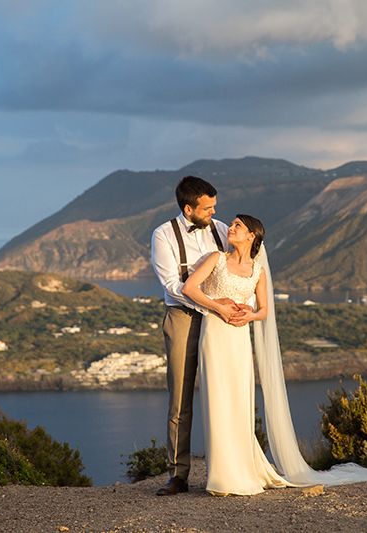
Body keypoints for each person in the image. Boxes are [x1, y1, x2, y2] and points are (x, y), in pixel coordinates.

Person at [182, 214, 367, 495]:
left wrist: (249, 315)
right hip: (214, 334)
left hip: (239, 338)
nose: (232, 228)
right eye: (233, 224)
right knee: (217, 400)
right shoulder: (216, 259)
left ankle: (241, 471)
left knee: (239, 402)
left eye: (238, 225)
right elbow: (189, 288)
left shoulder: (258, 271)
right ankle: (222, 478)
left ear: (251, 236)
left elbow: (264, 311)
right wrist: (218, 306)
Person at [150, 176, 249, 496]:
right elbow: (173, 287)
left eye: (215, 206)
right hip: (184, 319)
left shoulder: (222, 229)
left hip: (221, 324)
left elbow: (243, 266)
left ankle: (233, 468)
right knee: (180, 397)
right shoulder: (163, 235)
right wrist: (214, 305)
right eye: (207, 208)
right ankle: (178, 474)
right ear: (188, 208)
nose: (214, 212)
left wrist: (235, 308)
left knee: (228, 393)